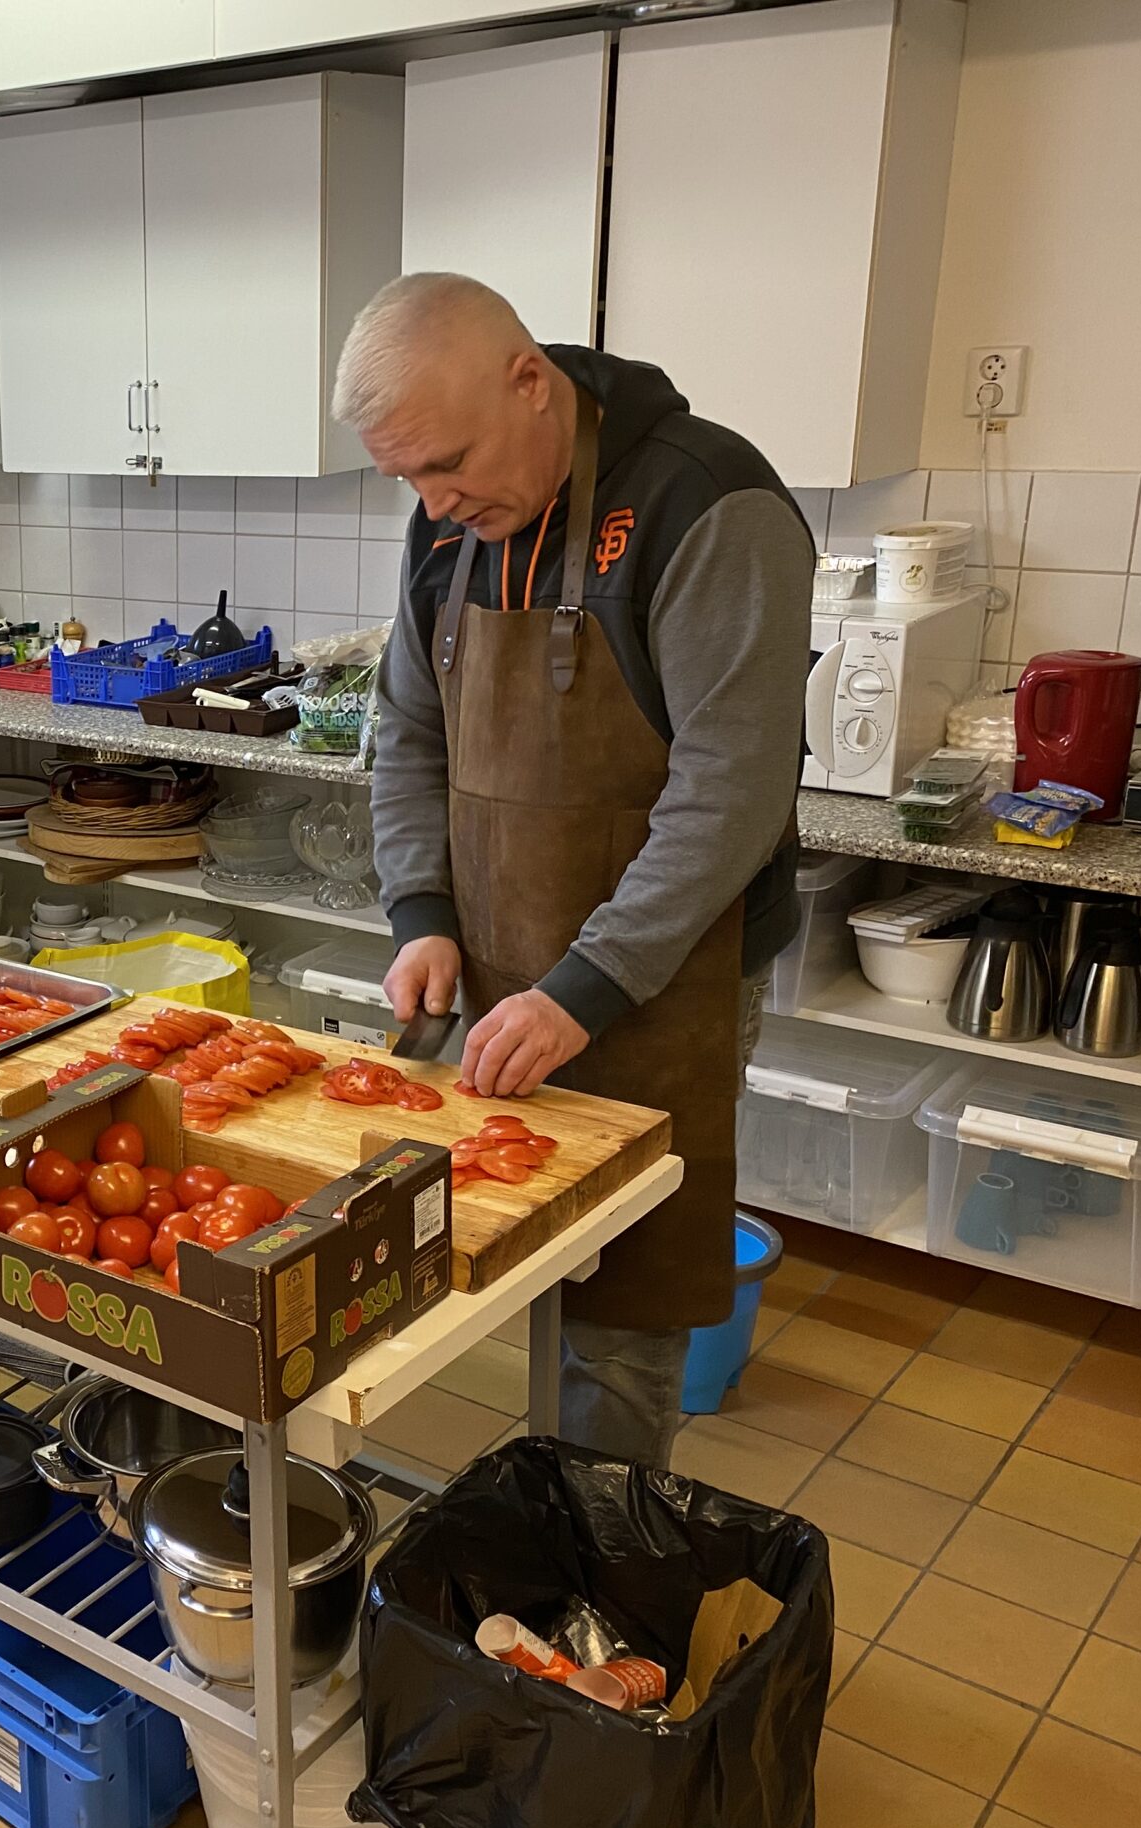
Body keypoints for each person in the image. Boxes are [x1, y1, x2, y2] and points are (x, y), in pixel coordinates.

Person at [333, 274, 811, 1467]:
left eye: (447, 464)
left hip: (662, 979)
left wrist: (584, 989)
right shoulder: (449, 525)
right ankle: (530, 1501)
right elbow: (409, 733)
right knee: (507, 1251)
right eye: (409, 481)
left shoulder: (707, 503)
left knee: (619, 1310)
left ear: (529, 384)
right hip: (500, 957)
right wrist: (421, 912)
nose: (435, 504)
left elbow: (731, 794)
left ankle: (597, 1534)